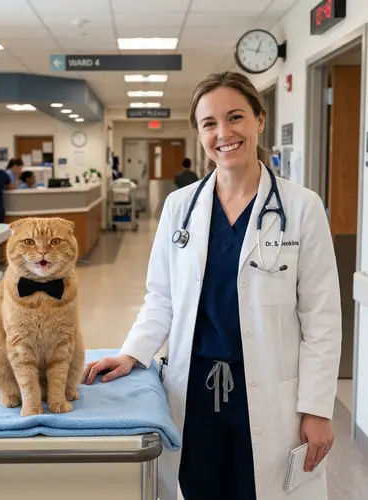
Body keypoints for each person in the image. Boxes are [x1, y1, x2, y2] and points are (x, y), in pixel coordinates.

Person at [83, 71, 342, 500]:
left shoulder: (301, 207)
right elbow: (161, 297)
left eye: (235, 117)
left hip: (272, 394)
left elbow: (322, 318)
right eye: (209, 123)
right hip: (195, 393)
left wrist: (317, 407)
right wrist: (132, 352)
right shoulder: (180, 207)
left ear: (260, 121)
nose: (224, 133)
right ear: (199, 133)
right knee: (198, 489)